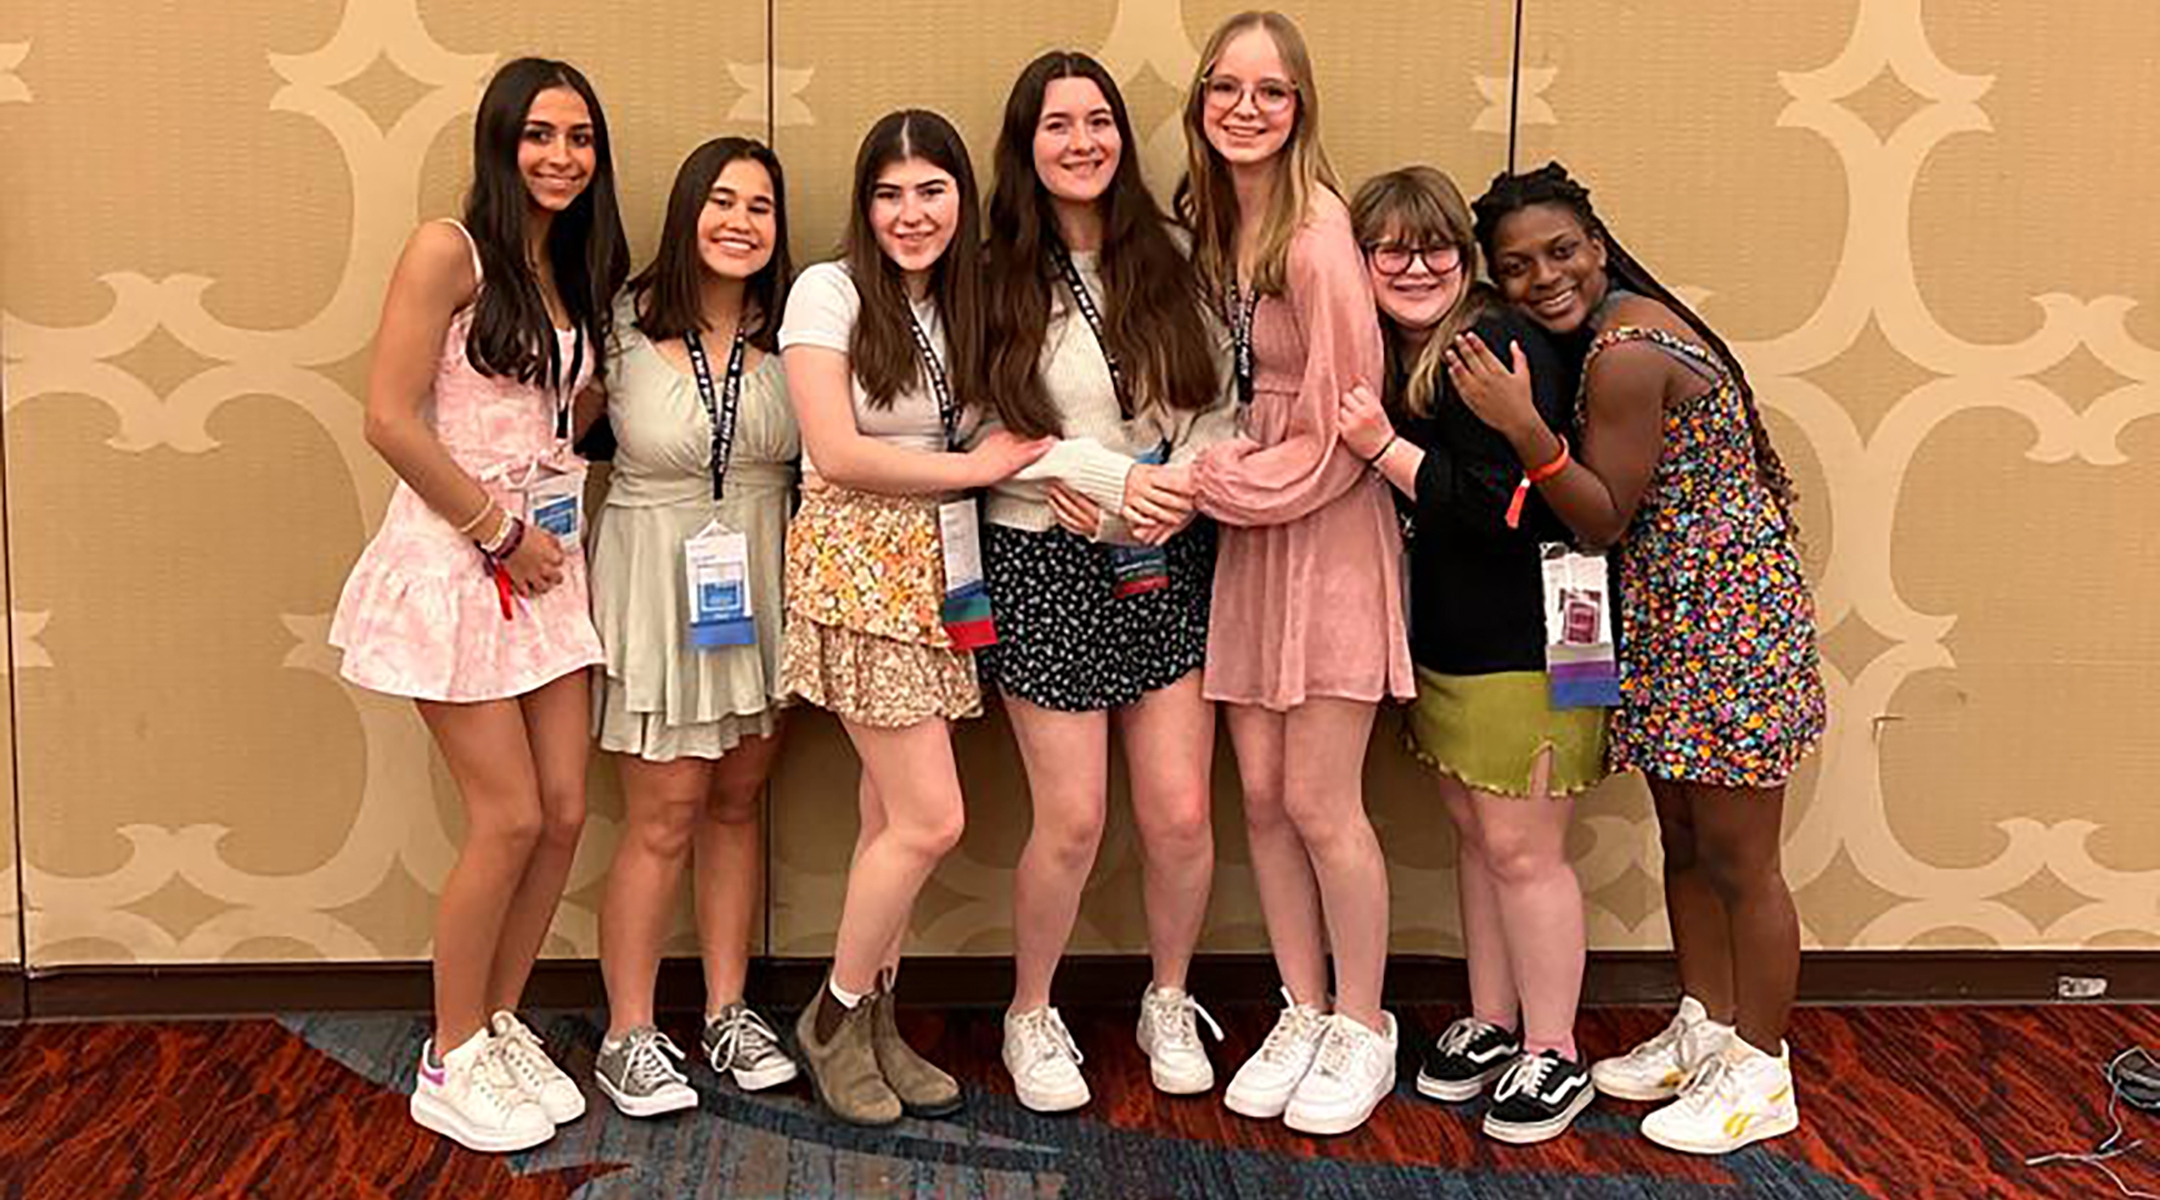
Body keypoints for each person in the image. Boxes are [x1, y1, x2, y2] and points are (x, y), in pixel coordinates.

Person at [1455, 161, 1825, 1154]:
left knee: (1744, 861)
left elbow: (1604, 513)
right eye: (1518, 266)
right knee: (1686, 842)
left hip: (1728, 627)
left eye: (1563, 252)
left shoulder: (1623, 355)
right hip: (1674, 620)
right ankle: (1704, 1022)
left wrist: (1523, 426)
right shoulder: (1608, 334)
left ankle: (1761, 1067)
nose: (1546, 278)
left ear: (1600, 245)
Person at [329, 56, 627, 1152]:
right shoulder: (447, 250)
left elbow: (565, 413)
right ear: (500, 144)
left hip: (546, 563)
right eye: (539, 135)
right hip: (461, 561)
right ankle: (447, 1056)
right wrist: (496, 532)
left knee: (559, 812)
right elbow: (390, 417)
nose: (560, 156)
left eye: (580, 138)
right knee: (502, 817)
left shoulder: (568, 268)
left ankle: (497, 1022)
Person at [777, 108, 1052, 1127]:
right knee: (933, 817)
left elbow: (991, 421)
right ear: (865, 204)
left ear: (961, 199)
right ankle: (831, 1017)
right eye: (890, 193)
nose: (911, 212)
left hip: (939, 568)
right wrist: (971, 470)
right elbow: (836, 451)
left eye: (931, 190)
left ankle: (876, 1026)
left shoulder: (961, 300)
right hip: (857, 561)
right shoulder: (828, 290)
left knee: (887, 818)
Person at [976, 50, 1236, 1114]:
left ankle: (1167, 996)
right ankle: (1029, 1011)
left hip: (1168, 549)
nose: (1081, 142)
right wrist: (1065, 470)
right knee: (1073, 820)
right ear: (1025, 144)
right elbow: (962, 422)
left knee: (1178, 813)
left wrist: (1182, 480)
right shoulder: (988, 269)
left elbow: (1226, 399)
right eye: (1056, 125)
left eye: (1098, 121)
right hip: (1044, 554)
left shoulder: (1176, 253)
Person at [1169, 10, 1413, 1137]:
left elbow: (1332, 440)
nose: (1247, 109)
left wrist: (1208, 486)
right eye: (1227, 88)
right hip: (1255, 541)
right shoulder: (1218, 222)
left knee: (1321, 800)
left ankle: (1365, 1021)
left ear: (1301, 104)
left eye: (1270, 91)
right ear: (1201, 101)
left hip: (1321, 537)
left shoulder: (1317, 236)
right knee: (1262, 798)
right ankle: (1302, 1004)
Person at [1336, 166, 1606, 1144]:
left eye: (1436, 244)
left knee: (1524, 851)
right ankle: (1496, 1023)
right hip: (1457, 642)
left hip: (1528, 645)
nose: (1416, 266)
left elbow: (1504, 507)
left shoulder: (1493, 342)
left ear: (1466, 255)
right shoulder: (1410, 353)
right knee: (1478, 838)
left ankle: (1554, 1050)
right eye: (1391, 249)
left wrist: (1378, 447)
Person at [588, 137, 802, 1116]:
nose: (740, 223)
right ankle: (628, 1033)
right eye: (721, 201)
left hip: (757, 578)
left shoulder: (792, 333)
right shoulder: (619, 327)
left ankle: (727, 1010)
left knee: (733, 805)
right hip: (651, 581)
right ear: (687, 211)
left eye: (761, 207)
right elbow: (545, 435)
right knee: (663, 817)